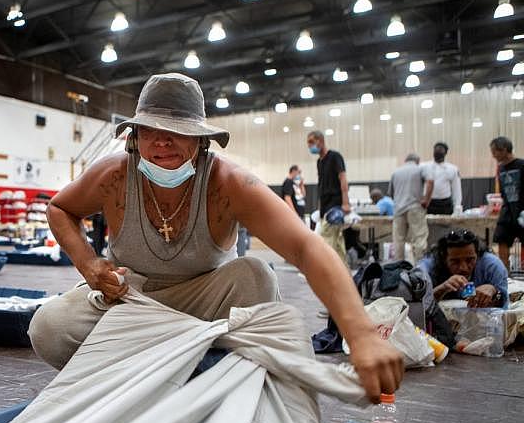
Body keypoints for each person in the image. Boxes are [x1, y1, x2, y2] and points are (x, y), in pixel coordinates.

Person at [28, 72, 403, 403]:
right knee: (49, 327)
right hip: (131, 297)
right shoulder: (112, 176)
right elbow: (60, 209)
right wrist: (89, 263)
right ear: (133, 137)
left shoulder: (228, 184)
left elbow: (306, 246)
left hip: (204, 300)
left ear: (202, 141)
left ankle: (188, 372)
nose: (162, 142)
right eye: (150, 130)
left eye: (177, 132)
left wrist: (361, 334)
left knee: (255, 276)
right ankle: (173, 373)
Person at [418, 229, 508, 308]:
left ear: (477, 254)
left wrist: (494, 290)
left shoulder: (492, 266)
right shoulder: (426, 268)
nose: (463, 268)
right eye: (455, 262)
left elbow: (503, 306)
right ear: (443, 258)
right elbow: (417, 308)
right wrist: (441, 289)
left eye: (470, 260)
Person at [309, 130, 349, 265]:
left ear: (320, 141)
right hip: (325, 207)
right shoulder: (320, 162)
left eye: (311, 142)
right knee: (337, 245)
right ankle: (346, 278)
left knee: (327, 246)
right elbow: (321, 186)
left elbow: (342, 178)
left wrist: (345, 203)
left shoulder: (335, 157)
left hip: (335, 205)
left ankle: (331, 277)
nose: (310, 146)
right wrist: (320, 210)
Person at [388, 153, 434, 262]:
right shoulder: (419, 169)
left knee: (398, 240)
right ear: (417, 161)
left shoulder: (396, 172)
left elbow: (391, 193)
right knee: (419, 238)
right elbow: (430, 181)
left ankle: (398, 267)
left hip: (398, 209)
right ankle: (420, 266)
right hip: (415, 207)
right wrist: (426, 200)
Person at [490, 136, 524, 271]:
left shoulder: (521, 165)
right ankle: (504, 270)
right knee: (501, 238)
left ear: (504, 149)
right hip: (508, 210)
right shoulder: (501, 168)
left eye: (494, 151)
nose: (493, 155)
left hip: (522, 210)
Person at [424, 142, 462, 215]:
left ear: (445, 153)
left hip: (445, 204)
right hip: (429, 203)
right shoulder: (424, 167)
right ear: (433, 152)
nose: (438, 152)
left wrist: (457, 206)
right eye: (436, 150)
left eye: (440, 150)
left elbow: (456, 189)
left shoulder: (453, 168)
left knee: (446, 225)